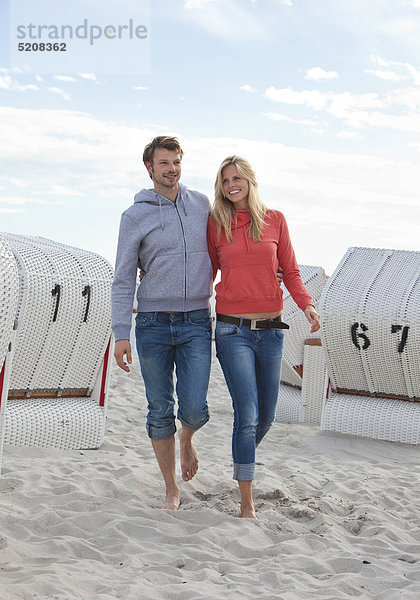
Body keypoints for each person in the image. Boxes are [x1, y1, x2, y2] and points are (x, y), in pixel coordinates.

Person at [207, 155, 321, 519]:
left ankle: (242, 453)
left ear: (251, 181)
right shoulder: (216, 223)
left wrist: (307, 305)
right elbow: (204, 272)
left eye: (237, 178)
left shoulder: (276, 220)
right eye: (225, 181)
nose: (231, 185)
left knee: (267, 416)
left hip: (271, 331)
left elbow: (291, 271)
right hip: (231, 330)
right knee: (248, 413)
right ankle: (246, 505)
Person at [112, 136, 213, 510]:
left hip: (197, 321)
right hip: (152, 323)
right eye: (164, 163)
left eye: (176, 162)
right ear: (149, 168)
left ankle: (187, 438)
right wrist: (121, 334)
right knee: (158, 408)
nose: (171, 169)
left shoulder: (201, 205)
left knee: (193, 407)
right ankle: (171, 488)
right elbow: (123, 279)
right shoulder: (134, 216)